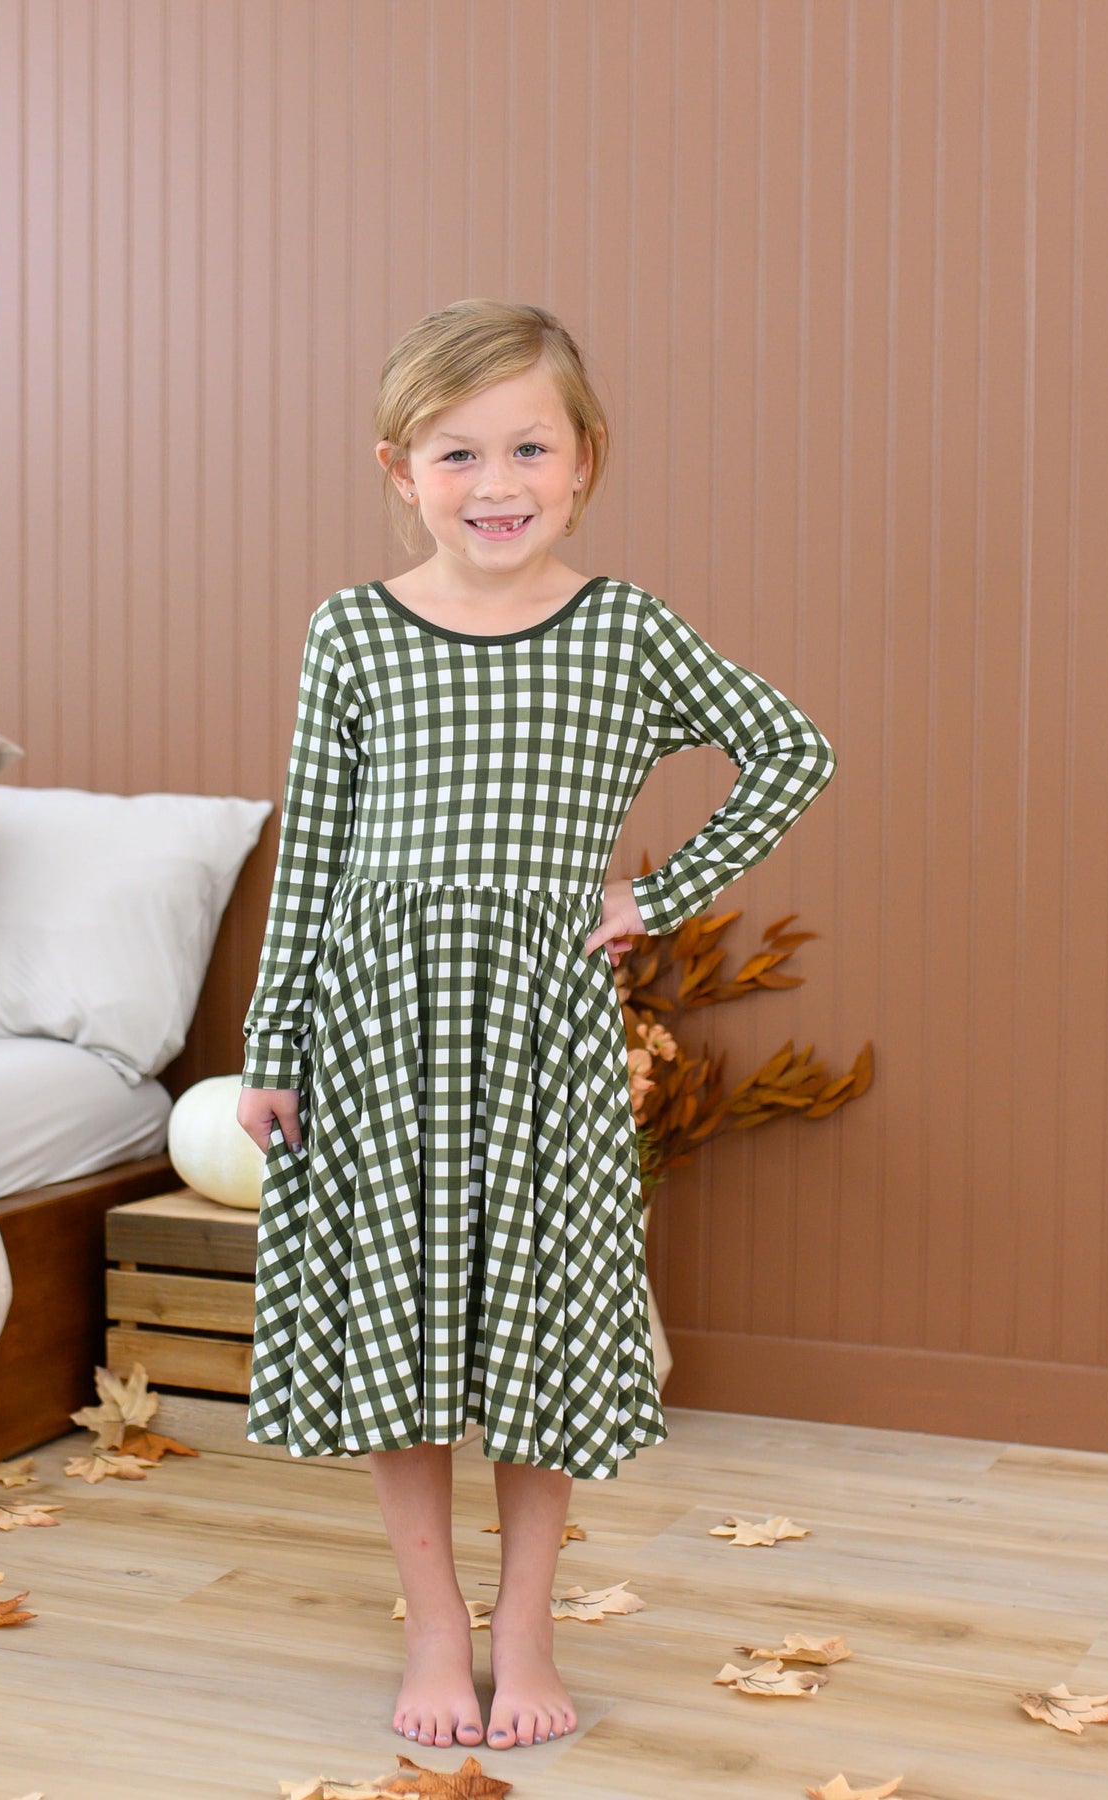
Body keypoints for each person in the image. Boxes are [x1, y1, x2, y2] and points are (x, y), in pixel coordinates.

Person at [234, 299, 835, 1755]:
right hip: (375, 1025)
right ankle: (434, 1622)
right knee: (399, 1318)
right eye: (456, 454)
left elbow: (789, 750)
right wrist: (270, 1044)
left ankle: (525, 1623)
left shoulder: (622, 630)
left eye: (524, 449)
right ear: (399, 469)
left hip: (538, 1034)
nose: (492, 483)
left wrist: (658, 893)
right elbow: (315, 844)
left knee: (539, 1326)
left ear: (584, 462)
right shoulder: (354, 633)